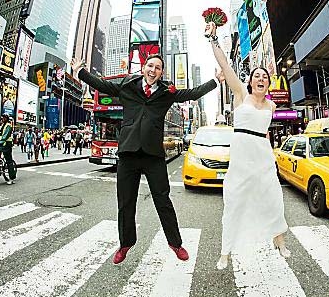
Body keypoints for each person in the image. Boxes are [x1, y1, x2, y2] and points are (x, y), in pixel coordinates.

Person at [71, 53, 223, 264]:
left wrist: (216, 80)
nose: (153, 70)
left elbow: (192, 93)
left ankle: (175, 243)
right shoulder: (128, 85)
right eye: (150, 66)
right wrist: (80, 72)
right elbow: (103, 86)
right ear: (144, 68)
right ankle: (125, 244)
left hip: (153, 155)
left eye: (158, 68)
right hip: (128, 153)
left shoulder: (166, 91)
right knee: (125, 202)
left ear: (161, 72)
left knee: (163, 200)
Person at [205, 21, 290, 270]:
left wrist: (271, 156)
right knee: (234, 202)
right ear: (251, 82)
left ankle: (280, 241)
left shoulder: (272, 106)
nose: (261, 79)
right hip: (241, 158)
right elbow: (225, 65)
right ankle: (225, 252)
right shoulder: (241, 94)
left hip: (263, 157)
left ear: (268, 83)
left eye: (265, 77)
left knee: (273, 199)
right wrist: (213, 39)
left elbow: (264, 134)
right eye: (257, 76)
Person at [0, 113, 16, 184]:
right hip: (2, 145)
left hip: (7, 145)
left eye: (3, 118)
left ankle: (11, 178)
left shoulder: (8, 126)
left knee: (9, 161)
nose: (2, 119)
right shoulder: (3, 126)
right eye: (2, 118)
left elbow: (5, 136)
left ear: (6, 118)